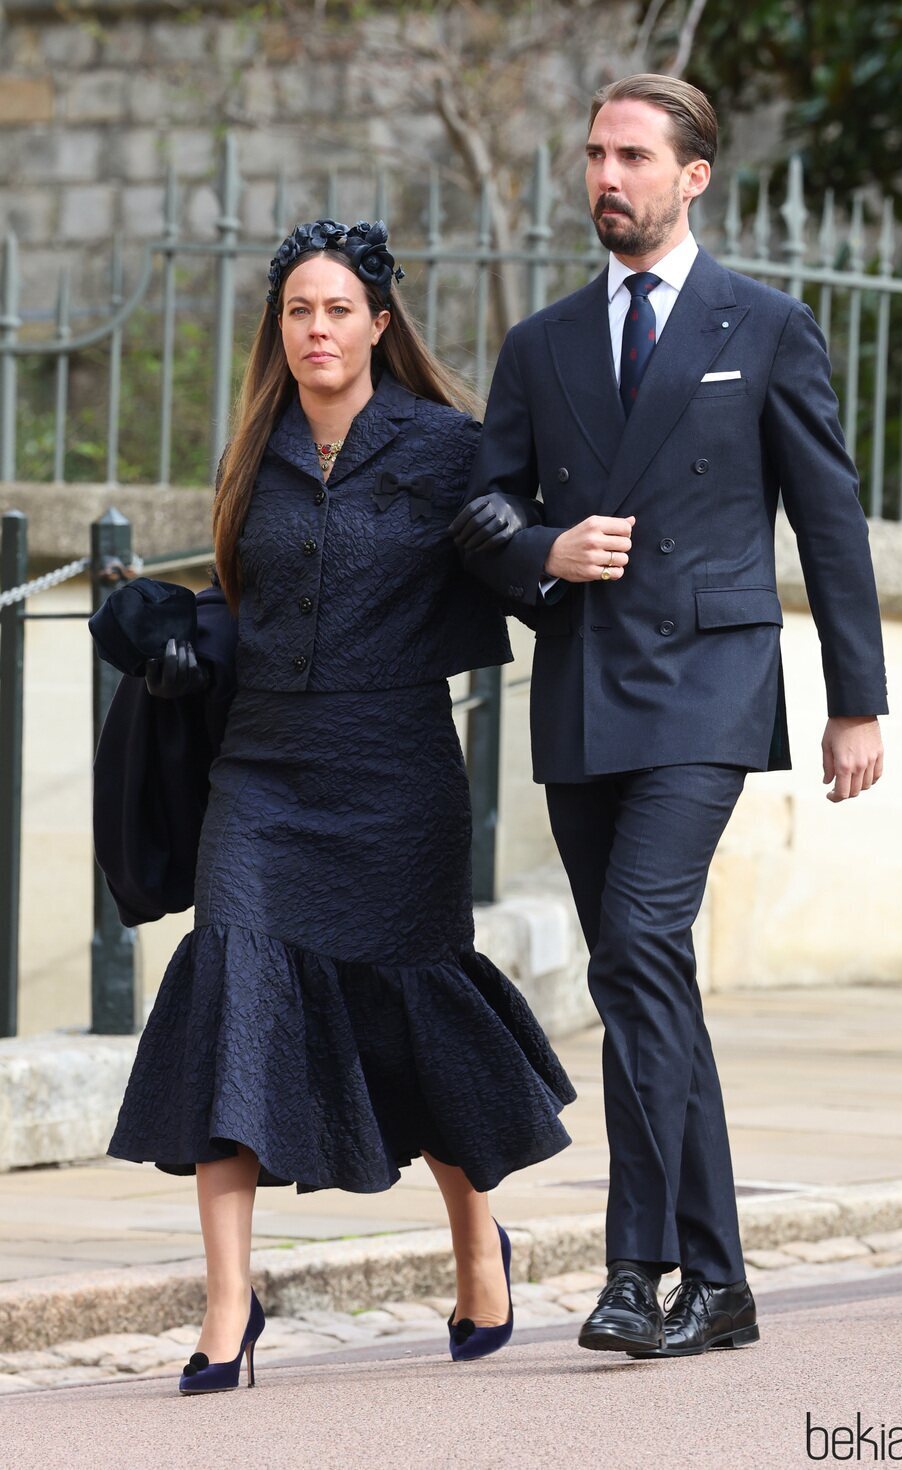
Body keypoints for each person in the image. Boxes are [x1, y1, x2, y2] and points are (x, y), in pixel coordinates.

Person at [98, 217, 575, 1393]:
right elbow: (243, 602)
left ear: (378, 323)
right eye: (297, 310)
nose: (316, 329)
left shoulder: (447, 448)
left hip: (394, 777)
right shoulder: (251, 449)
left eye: (337, 310)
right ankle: (225, 1311)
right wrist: (169, 631)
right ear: (281, 327)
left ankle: (475, 1243)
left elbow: (523, 569)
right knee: (228, 998)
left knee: (410, 1020)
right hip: (259, 776)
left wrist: (545, 548)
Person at [453, 74, 887, 1360]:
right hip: (585, 687)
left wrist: (854, 702)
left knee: (634, 945)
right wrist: (547, 549)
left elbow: (827, 521)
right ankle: (726, 1282)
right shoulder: (539, 345)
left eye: (632, 155)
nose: (606, 176)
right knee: (649, 980)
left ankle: (636, 1267)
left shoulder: (762, 324)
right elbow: (476, 517)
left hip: (705, 685)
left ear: (691, 175)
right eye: (594, 153)